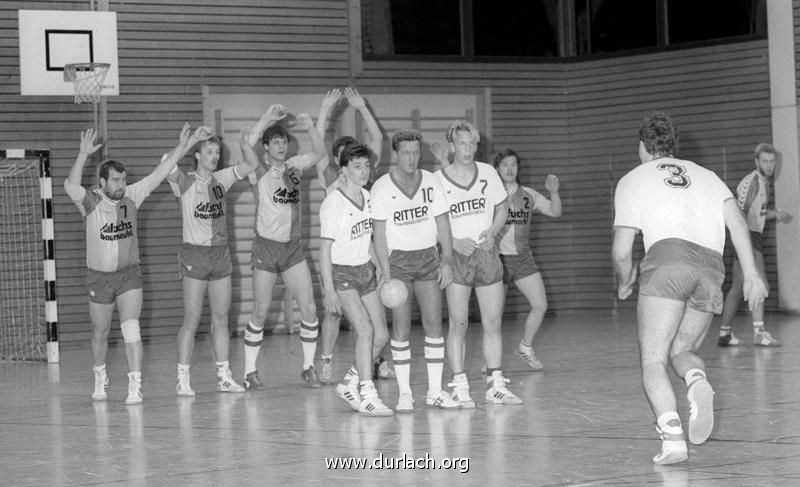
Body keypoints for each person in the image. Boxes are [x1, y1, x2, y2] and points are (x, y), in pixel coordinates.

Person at [613, 112, 767, 465]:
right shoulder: (708, 176)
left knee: (653, 358)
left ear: (642, 146)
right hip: (711, 266)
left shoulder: (633, 179)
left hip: (668, 259)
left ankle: (673, 441)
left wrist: (625, 281)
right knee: (681, 350)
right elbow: (739, 225)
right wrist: (752, 274)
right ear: (674, 145)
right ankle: (697, 381)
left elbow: (622, 250)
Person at [65, 124, 214, 404]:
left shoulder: (133, 195)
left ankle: (135, 384)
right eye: (115, 180)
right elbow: (70, 186)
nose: (121, 184)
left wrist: (190, 141)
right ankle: (100, 376)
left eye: (123, 179)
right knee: (100, 332)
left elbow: (162, 170)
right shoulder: (90, 202)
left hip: (129, 276)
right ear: (102, 183)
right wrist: (83, 154)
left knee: (131, 327)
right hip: (99, 278)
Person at [168, 129, 262, 396]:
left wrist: (244, 144)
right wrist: (187, 141)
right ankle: (183, 378)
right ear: (197, 155)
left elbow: (253, 164)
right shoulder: (183, 181)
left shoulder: (221, 179)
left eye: (217, 152)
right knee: (192, 319)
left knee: (221, 318)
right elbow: (166, 162)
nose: (214, 156)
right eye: (208, 151)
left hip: (220, 254)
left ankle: (223, 375)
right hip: (194, 255)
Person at [371, 129, 460, 411]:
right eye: (405, 153)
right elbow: (379, 234)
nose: (411, 157)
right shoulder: (382, 187)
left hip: (427, 260)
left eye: (415, 152)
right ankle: (405, 393)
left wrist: (446, 259)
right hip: (398, 263)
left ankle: (434, 391)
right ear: (395, 154)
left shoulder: (432, 181)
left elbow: (443, 223)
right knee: (401, 327)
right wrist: (384, 271)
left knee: (434, 324)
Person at [435, 120, 522, 407]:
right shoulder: (439, 179)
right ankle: (459, 384)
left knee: (493, 322)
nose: (468, 148)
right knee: (458, 323)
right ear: (452, 145)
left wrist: (494, 231)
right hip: (458, 258)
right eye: (462, 143)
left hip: (486, 255)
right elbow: (433, 221)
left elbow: (502, 208)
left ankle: (495, 384)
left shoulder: (487, 173)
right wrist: (451, 242)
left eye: (472, 143)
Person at [242, 103, 326, 389]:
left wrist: (311, 126)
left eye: (283, 141)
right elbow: (245, 143)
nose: (280, 145)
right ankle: (250, 371)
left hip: (292, 249)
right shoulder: (258, 168)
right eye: (274, 141)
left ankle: (308, 367)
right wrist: (266, 117)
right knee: (260, 310)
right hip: (266, 248)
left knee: (310, 308)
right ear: (266, 147)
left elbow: (320, 154)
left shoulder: (294, 167)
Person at [314, 87, 394, 384]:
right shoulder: (331, 183)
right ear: (340, 164)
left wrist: (362, 107)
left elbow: (377, 141)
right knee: (336, 316)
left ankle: (366, 367)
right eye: (350, 161)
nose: (361, 168)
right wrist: (324, 111)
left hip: (361, 254)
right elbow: (318, 146)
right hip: (339, 255)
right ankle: (326, 360)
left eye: (363, 163)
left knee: (373, 330)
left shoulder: (365, 188)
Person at [319, 142, 393, 416]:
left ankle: (349, 382)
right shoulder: (333, 203)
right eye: (357, 166)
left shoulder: (368, 197)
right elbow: (324, 249)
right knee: (365, 331)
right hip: (342, 273)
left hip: (365, 271)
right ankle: (368, 393)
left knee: (381, 335)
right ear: (344, 170)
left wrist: (382, 268)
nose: (364, 171)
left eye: (366, 166)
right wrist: (329, 290)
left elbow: (369, 240)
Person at [493, 149, 561, 370]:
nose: (510, 169)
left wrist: (555, 192)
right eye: (505, 165)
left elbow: (555, 211)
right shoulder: (490, 195)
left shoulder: (529, 194)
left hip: (523, 259)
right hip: (497, 260)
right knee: (494, 315)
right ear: (496, 169)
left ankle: (526, 347)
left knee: (540, 305)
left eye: (513, 164)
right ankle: (491, 361)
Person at [717, 143, 790, 347]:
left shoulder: (763, 183)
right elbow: (738, 213)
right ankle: (759, 332)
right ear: (757, 161)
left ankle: (724, 333)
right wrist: (743, 244)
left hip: (750, 235)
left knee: (738, 287)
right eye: (765, 161)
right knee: (760, 283)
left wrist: (775, 214)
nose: (769, 165)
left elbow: (758, 212)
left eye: (772, 161)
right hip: (747, 237)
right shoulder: (753, 182)